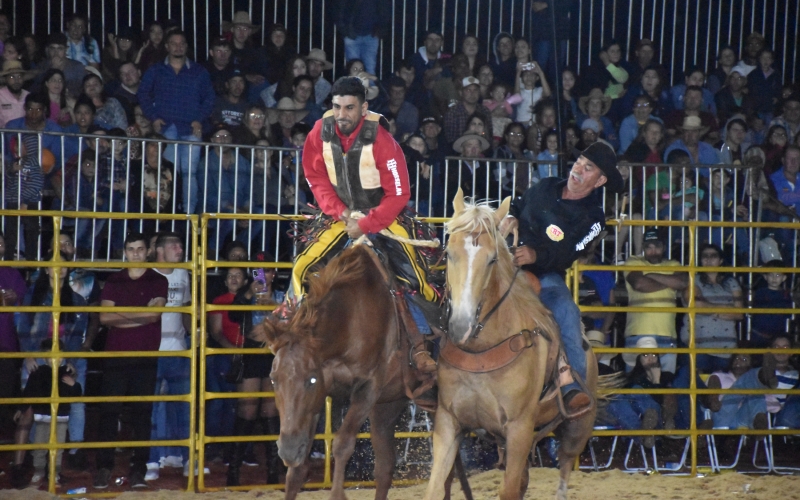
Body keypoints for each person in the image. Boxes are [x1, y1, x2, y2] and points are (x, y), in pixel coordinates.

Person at [296, 76, 438, 372]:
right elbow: (315, 177)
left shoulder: (383, 140)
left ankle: (428, 340)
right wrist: (341, 212)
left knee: (416, 277)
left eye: (349, 108)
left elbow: (399, 194)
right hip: (339, 217)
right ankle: (295, 333)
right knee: (302, 268)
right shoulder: (317, 133)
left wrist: (368, 224)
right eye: (337, 107)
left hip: (385, 217)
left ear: (364, 108)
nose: (342, 115)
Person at [501, 141, 625, 415]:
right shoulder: (545, 186)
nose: (578, 169)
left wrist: (536, 255)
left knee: (566, 310)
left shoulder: (594, 220)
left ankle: (574, 385)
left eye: (588, 167)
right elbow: (519, 203)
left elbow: (569, 252)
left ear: (601, 180)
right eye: (579, 161)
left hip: (546, 274)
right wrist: (511, 215)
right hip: (505, 261)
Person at [94, 232, 168, 490]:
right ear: (124, 251)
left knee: (141, 415)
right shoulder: (115, 279)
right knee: (108, 412)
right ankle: (104, 466)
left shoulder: (158, 280)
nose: (135, 253)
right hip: (116, 355)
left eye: (139, 248)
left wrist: (120, 315)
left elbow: (153, 315)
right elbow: (104, 318)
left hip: (144, 356)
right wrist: (140, 315)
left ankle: (138, 469)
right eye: (130, 249)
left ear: (147, 250)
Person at [137, 29, 216, 215]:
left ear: (187, 47)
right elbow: (142, 93)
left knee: (190, 174)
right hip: (167, 130)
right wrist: (153, 117)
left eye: (182, 43)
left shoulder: (199, 71)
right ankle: (170, 213)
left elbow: (210, 98)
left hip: (191, 129)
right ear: (167, 46)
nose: (178, 47)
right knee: (169, 175)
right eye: (174, 43)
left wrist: (200, 119)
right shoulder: (157, 70)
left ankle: (188, 216)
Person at [145, 232, 194, 480]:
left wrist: (193, 333)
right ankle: (152, 461)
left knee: (183, 407)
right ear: (161, 250)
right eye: (175, 245)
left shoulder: (183, 273)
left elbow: (185, 307)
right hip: (152, 350)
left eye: (181, 245)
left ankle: (186, 459)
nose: (180, 249)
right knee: (151, 410)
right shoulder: (147, 274)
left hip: (177, 349)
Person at [10, 339, 82, 487]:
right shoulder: (38, 372)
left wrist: (74, 384)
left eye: (59, 355)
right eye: (50, 356)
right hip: (42, 417)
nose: (55, 358)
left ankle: (54, 474)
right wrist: (21, 408)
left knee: (58, 448)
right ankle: (39, 472)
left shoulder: (66, 372)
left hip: (61, 417)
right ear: (44, 357)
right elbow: (29, 392)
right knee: (40, 447)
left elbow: (77, 393)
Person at [623, 229, 688, 381]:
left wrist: (650, 275)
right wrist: (669, 280)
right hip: (638, 331)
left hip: (667, 333)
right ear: (643, 248)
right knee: (636, 382)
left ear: (664, 247)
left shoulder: (674, 264)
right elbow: (639, 284)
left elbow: (683, 282)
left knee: (666, 382)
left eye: (657, 246)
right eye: (648, 247)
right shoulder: (633, 261)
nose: (653, 251)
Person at [679, 244, 743, 373]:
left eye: (713, 256)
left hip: (726, 347)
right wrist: (726, 309)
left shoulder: (731, 282)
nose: (709, 259)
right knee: (697, 387)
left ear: (720, 261)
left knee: (721, 387)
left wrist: (708, 308)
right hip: (697, 345)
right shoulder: (692, 280)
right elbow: (696, 305)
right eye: (705, 256)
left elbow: (739, 313)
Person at [336, 0, 390, 76]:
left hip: (371, 35)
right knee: (354, 68)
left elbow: (385, 10)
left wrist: (380, 29)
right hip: (353, 34)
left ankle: (368, 87)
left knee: (369, 68)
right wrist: (345, 31)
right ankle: (353, 87)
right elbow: (339, 9)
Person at [750, 260, 793, 349]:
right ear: (765, 277)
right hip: (758, 334)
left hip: (776, 337)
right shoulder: (760, 293)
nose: (774, 278)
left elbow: (788, 313)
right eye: (771, 275)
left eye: (778, 275)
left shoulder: (786, 295)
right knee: (757, 358)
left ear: (784, 278)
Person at [34, 33, 86, 98]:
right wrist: (53, 70)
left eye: (60, 49)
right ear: (47, 50)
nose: (56, 53)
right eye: (52, 49)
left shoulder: (77, 66)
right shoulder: (42, 66)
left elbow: (82, 90)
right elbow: (36, 90)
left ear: (66, 49)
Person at [443, 76, 492, 144]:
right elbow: (450, 140)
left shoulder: (485, 111)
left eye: (475, 90)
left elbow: (489, 136)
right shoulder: (452, 113)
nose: (472, 93)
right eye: (468, 90)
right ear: (461, 93)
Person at [0, 60, 29, 127]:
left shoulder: (28, 96)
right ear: (5, 79)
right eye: (12, 77)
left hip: (26, 136)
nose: (16, 81)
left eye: (19, 77)